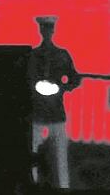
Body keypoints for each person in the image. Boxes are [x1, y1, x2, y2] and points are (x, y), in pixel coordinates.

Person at [27, 15, 81, 190]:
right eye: (45, 29)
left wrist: (62, 88)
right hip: (45, 111)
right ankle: (39, 185)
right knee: (38, 155)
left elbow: (75, 79)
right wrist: (62, 87)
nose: (47, 33)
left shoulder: (41, 55)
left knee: (57, 157)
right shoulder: (52, 55)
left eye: (48, 29)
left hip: (52, 112)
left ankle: (59, 186)